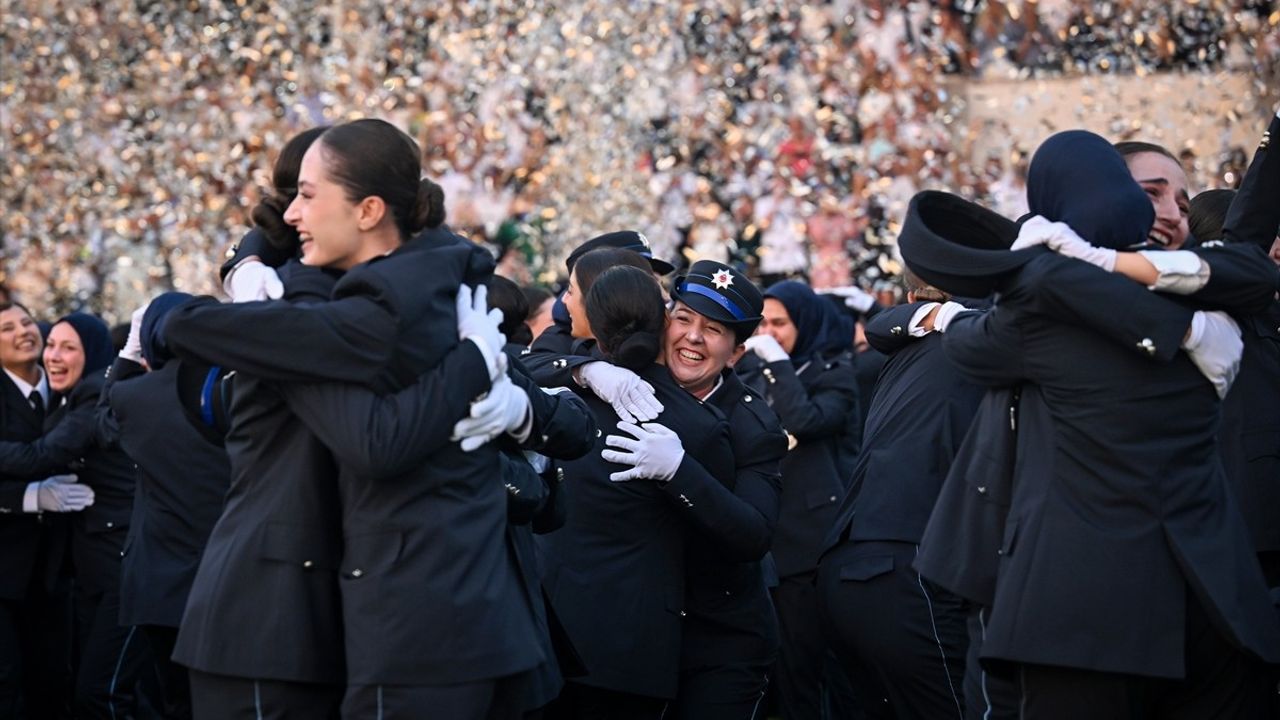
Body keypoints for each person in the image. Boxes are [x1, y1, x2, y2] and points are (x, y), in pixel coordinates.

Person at [166, 118, 540, 719]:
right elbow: (177, 327)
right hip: (273, 617)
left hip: (384, 621)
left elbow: (385, 439)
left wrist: (522, 406)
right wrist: (472, 363)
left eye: (309, 198)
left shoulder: (399, 300)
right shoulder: (323, 306)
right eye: (294, 198)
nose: (293, 215)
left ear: (367, 210)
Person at [901, 131, 1280, 718]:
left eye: (1184, 203)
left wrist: (1081, 263)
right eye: (1152, 194)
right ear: (1114, 198)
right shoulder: (1196, 298)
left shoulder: (1049, 297)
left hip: (1098, 617)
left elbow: (1249, 256)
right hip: (1159, 610)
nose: (1172, 213)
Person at [540, 264, 735, 719]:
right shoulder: (698, 424)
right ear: (663, 321)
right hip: (630, 648)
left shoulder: (553, 396)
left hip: (550, 633)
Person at [817, 271, 983, 720]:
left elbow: (882, 326)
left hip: (845, 568)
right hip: (909, 568)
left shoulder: (908, 345)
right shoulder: (980, 339)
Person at [0, 312, 151, 719]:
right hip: (67, 569)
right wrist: (27, 498)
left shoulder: (92, 392)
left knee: (98, 689)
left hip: (110, 562)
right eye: (53, 345)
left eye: (69, 347)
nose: (53, 354)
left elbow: (43, 455)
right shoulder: (68, 395)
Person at [97, 293, 232, 720]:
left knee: (176, 702)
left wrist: (128, 352)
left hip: (159, 584)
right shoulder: (235, 385)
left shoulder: (135, 398)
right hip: (233, 572)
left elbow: (103, 421)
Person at [737, 279, 860, 720]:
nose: (768, 333)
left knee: (803, 664)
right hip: (757, 532)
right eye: (763, 323)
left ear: (804, 323)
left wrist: (778, 366)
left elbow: (806, 420)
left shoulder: (834, 373)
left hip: (807, 544)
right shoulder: (750, 370)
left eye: (780, 323)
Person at [0, 301, 74, 719]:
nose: (22, 332)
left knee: (54, 678)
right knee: (7, 680)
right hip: (4, 567)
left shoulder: (69, 388)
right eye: (7, 329)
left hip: (59, 567)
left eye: (26, 322)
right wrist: (28, 496)